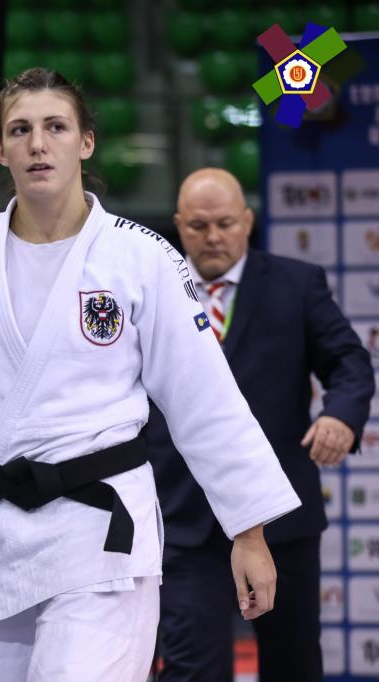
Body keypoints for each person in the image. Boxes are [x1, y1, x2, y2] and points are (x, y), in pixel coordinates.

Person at [0, 67, 302, 681]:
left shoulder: (140, 258)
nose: (38, 144)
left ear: (86, 141)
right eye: (20, 130)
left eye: (56, 127)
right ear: (0, 148)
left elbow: (206, 400)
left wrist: (248, 532)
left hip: (99, 535)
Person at [148, 168, 374, 682]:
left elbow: (349, 362)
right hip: (183, 516)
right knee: (191, 670)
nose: (213, 236)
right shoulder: (151, 293)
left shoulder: (297, 284)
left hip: (281, 517)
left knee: (293, 666)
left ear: (247, 221)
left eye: (225, 223)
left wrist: (340, 414)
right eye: (199, 225)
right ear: (179, 226)